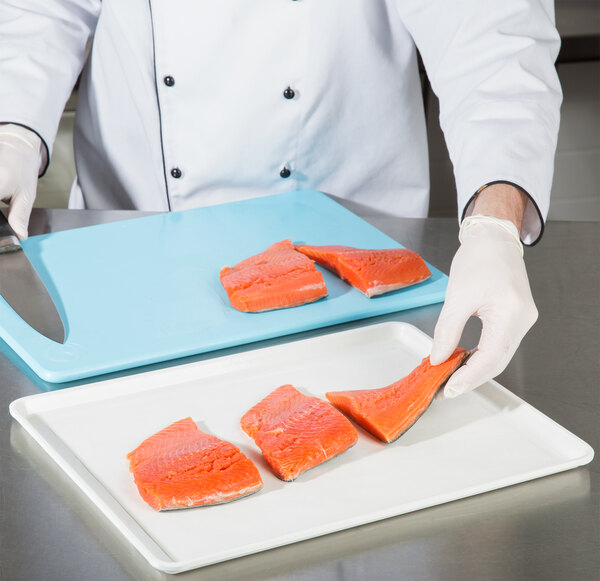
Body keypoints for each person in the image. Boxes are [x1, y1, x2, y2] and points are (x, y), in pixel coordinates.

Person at [0, 1, 561, 396]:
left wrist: (496, 219)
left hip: (350, 273)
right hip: (131, 249)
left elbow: (490, 35)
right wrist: (13, 129)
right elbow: (38, 10)